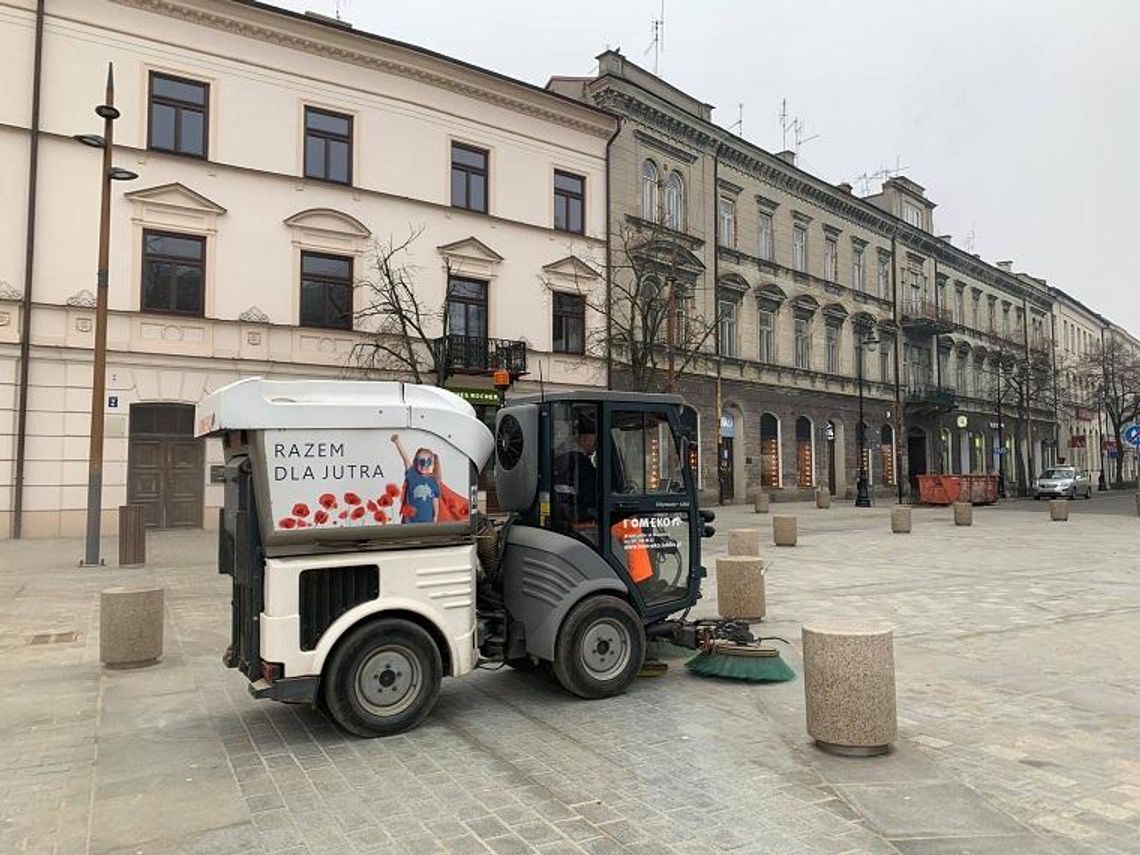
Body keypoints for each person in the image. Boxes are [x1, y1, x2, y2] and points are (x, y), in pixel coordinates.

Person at [391, 434, 440, 523]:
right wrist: (397, 442)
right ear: (416, 462)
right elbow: (405, 459)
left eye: (427, 462)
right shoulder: (413, 476)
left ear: (433, 465)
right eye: (420, 461)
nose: (423, 465)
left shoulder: (433, 482)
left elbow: (435, 500)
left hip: (427, 521)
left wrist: (436, 516)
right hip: (411, 521)